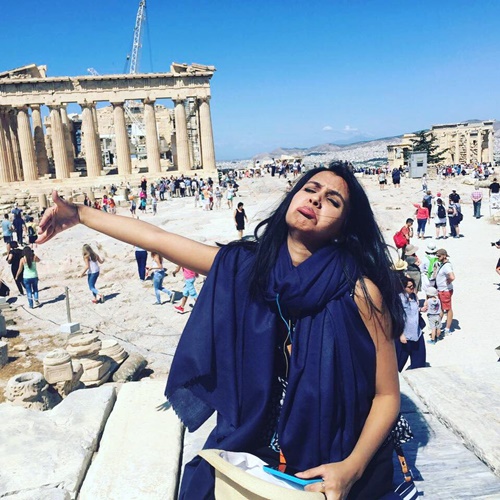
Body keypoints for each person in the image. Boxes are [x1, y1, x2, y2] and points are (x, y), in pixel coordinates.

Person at [36, 163, 405, 500]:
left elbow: (387, 396)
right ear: (293, 197)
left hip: (332, 455)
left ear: (344, 227)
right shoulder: (247, 267)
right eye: (310, 189)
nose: (316, 199)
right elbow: (157, 239)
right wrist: (80, 214)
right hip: (251, 445)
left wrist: (351, 469)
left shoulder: (359, 293)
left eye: (333, 201)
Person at [395, 276, 426, 371]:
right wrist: (401, 334)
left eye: (413, 286)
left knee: (419, 365)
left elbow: (413, 310)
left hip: (417, 334)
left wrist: (421, 309)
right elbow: (396, 317)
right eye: (409, 287)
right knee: (398, 364)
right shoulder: (398, 299)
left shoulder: (414, 296)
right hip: (405, 336)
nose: (412, 288)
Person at [435, 248, 455, 335]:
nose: (437, 257)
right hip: (442, 290)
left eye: (439, 256)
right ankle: (437, 326)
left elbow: (452, 277)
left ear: (444, 256)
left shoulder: (447, 266)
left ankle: (447, 328)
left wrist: (448, 281)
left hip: (445, 290)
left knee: (447, 309)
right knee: (442, 308)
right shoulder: (444, 264)